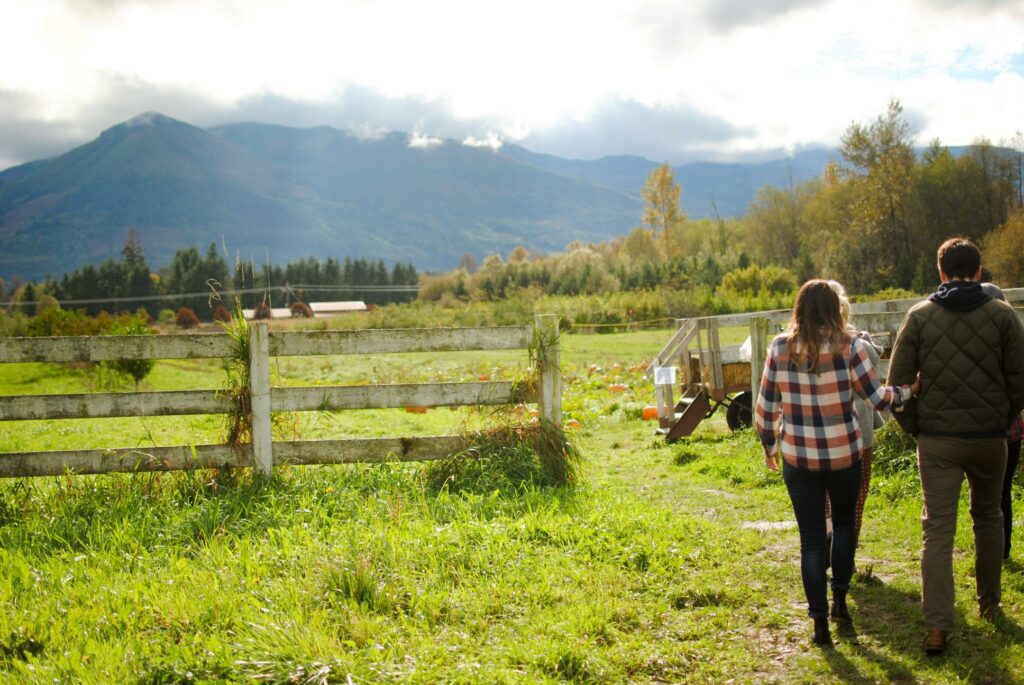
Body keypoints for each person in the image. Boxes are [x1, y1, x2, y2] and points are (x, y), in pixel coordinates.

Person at [756, 280, 917, 647]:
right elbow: (877, 398)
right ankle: (840, 601)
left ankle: (818, 625)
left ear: (799, 308)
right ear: (835, 308)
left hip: (799, 459)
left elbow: (766, 409)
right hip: (845, 455)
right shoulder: (851, 347)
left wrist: (769, 446)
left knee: (811, 541)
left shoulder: (780, 348)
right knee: (843, 526)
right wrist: (909, 392)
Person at [888, 238, 1024, 656]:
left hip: (938, 441)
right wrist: (1001, 421)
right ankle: (989, 605)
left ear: (941, 272)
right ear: (979, 272)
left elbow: (897, 384)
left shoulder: (921, 316)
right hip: (989, 438)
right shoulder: (1004, 316)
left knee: (938, 530)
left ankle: (937, 627)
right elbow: (1019, 384)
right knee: (988, 517)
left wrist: (917, 427)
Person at [825, 280, 886, 548]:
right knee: (856, 498)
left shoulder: (805, 345)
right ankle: (846, 552)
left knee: (826, 499)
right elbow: (875, 389)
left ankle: (829, 545)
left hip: (819, 437)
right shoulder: (859, 344)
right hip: (859, 435)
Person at [979, 282, 1023, 562]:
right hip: (1013, 428)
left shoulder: (979, 341)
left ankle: (990, 549)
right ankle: (1003, 550)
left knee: (984, 496)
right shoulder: (1014, 337)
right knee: (1002, 491)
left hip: (987, 430)